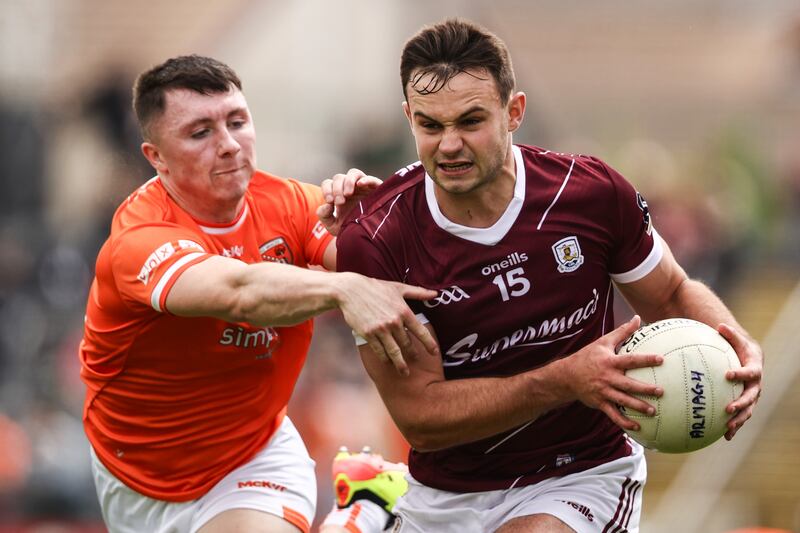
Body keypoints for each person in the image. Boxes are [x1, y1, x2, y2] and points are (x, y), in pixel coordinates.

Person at [317, 18, 764, 533]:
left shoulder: (590, 193)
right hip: (443, 490)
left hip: (579, 473)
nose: (450, 145)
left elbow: (671, 292)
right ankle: (383, 502)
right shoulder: (377, 239)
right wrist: (565, 380)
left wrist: (737, 345)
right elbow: (420, 417)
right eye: (430, 126)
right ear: (408, 118)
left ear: (514, 112)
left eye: (470, 121)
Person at [78, 55, 440, 533]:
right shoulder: (138, 239)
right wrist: (344, 287)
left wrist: (370, 227)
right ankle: (367, 507)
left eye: (237, 121)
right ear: (156, 157)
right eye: (200, 133)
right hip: (131, 476)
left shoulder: (291, 203)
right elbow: (238, 291)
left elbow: (396, 270)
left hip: (252, 458)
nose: (229, 145)